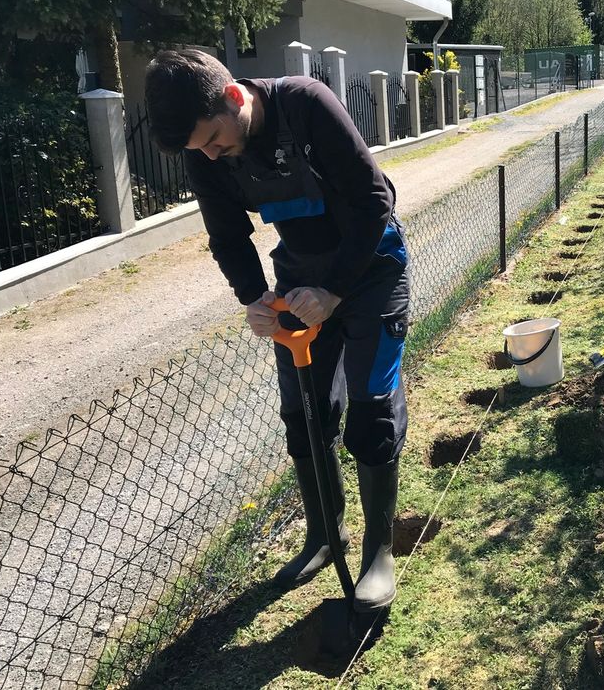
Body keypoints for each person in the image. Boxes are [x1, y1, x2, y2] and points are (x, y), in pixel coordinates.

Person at [144, 49, 409, 613]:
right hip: (299, 279)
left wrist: (335, 290)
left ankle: (378, 550)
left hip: (369, 271)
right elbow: (228, 235)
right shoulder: (206, 149)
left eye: (214, 140)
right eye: (201, 150)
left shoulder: (307, 105)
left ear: (235, 97)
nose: (212, 155)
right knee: (304, 413)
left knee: (372, 408)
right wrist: (254, 299)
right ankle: (325, 532)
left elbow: (373, 202)